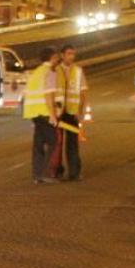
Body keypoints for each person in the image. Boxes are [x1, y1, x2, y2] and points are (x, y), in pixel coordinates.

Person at [23, 47, 60, 184]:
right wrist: (53, 115)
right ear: (52, 58)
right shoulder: (49, 72)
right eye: (56, 58)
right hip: (44, 111)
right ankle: (45, 173)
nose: (57, 60)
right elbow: (48, 95)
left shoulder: (36, 72)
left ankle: (37, 175)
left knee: (38, 144)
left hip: (33, 112)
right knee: (53, 141)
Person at [54, 45, 89, 181]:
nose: (71, 57)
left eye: (73, 54)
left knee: (72, 144)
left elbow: (83, 92)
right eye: (69, 54)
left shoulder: (78, 71)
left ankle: (74, 172)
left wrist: (80, 111)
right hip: (58, 113)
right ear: (62, 55)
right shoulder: (55, 70)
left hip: (72, 114)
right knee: (57, 143)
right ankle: (57, 171)